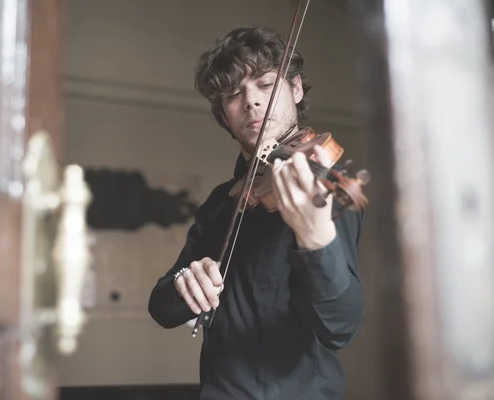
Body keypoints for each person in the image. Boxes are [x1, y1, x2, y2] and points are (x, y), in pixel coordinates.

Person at [147, 26, 364, 400]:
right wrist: (185, 283)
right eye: (234, 94)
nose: (251, 102)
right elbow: (161, 307)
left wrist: (316, 241)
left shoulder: (322, 187)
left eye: (265, 84)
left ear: (295, 88)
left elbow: (340, 326)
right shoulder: (221, 202)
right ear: (224, 115)